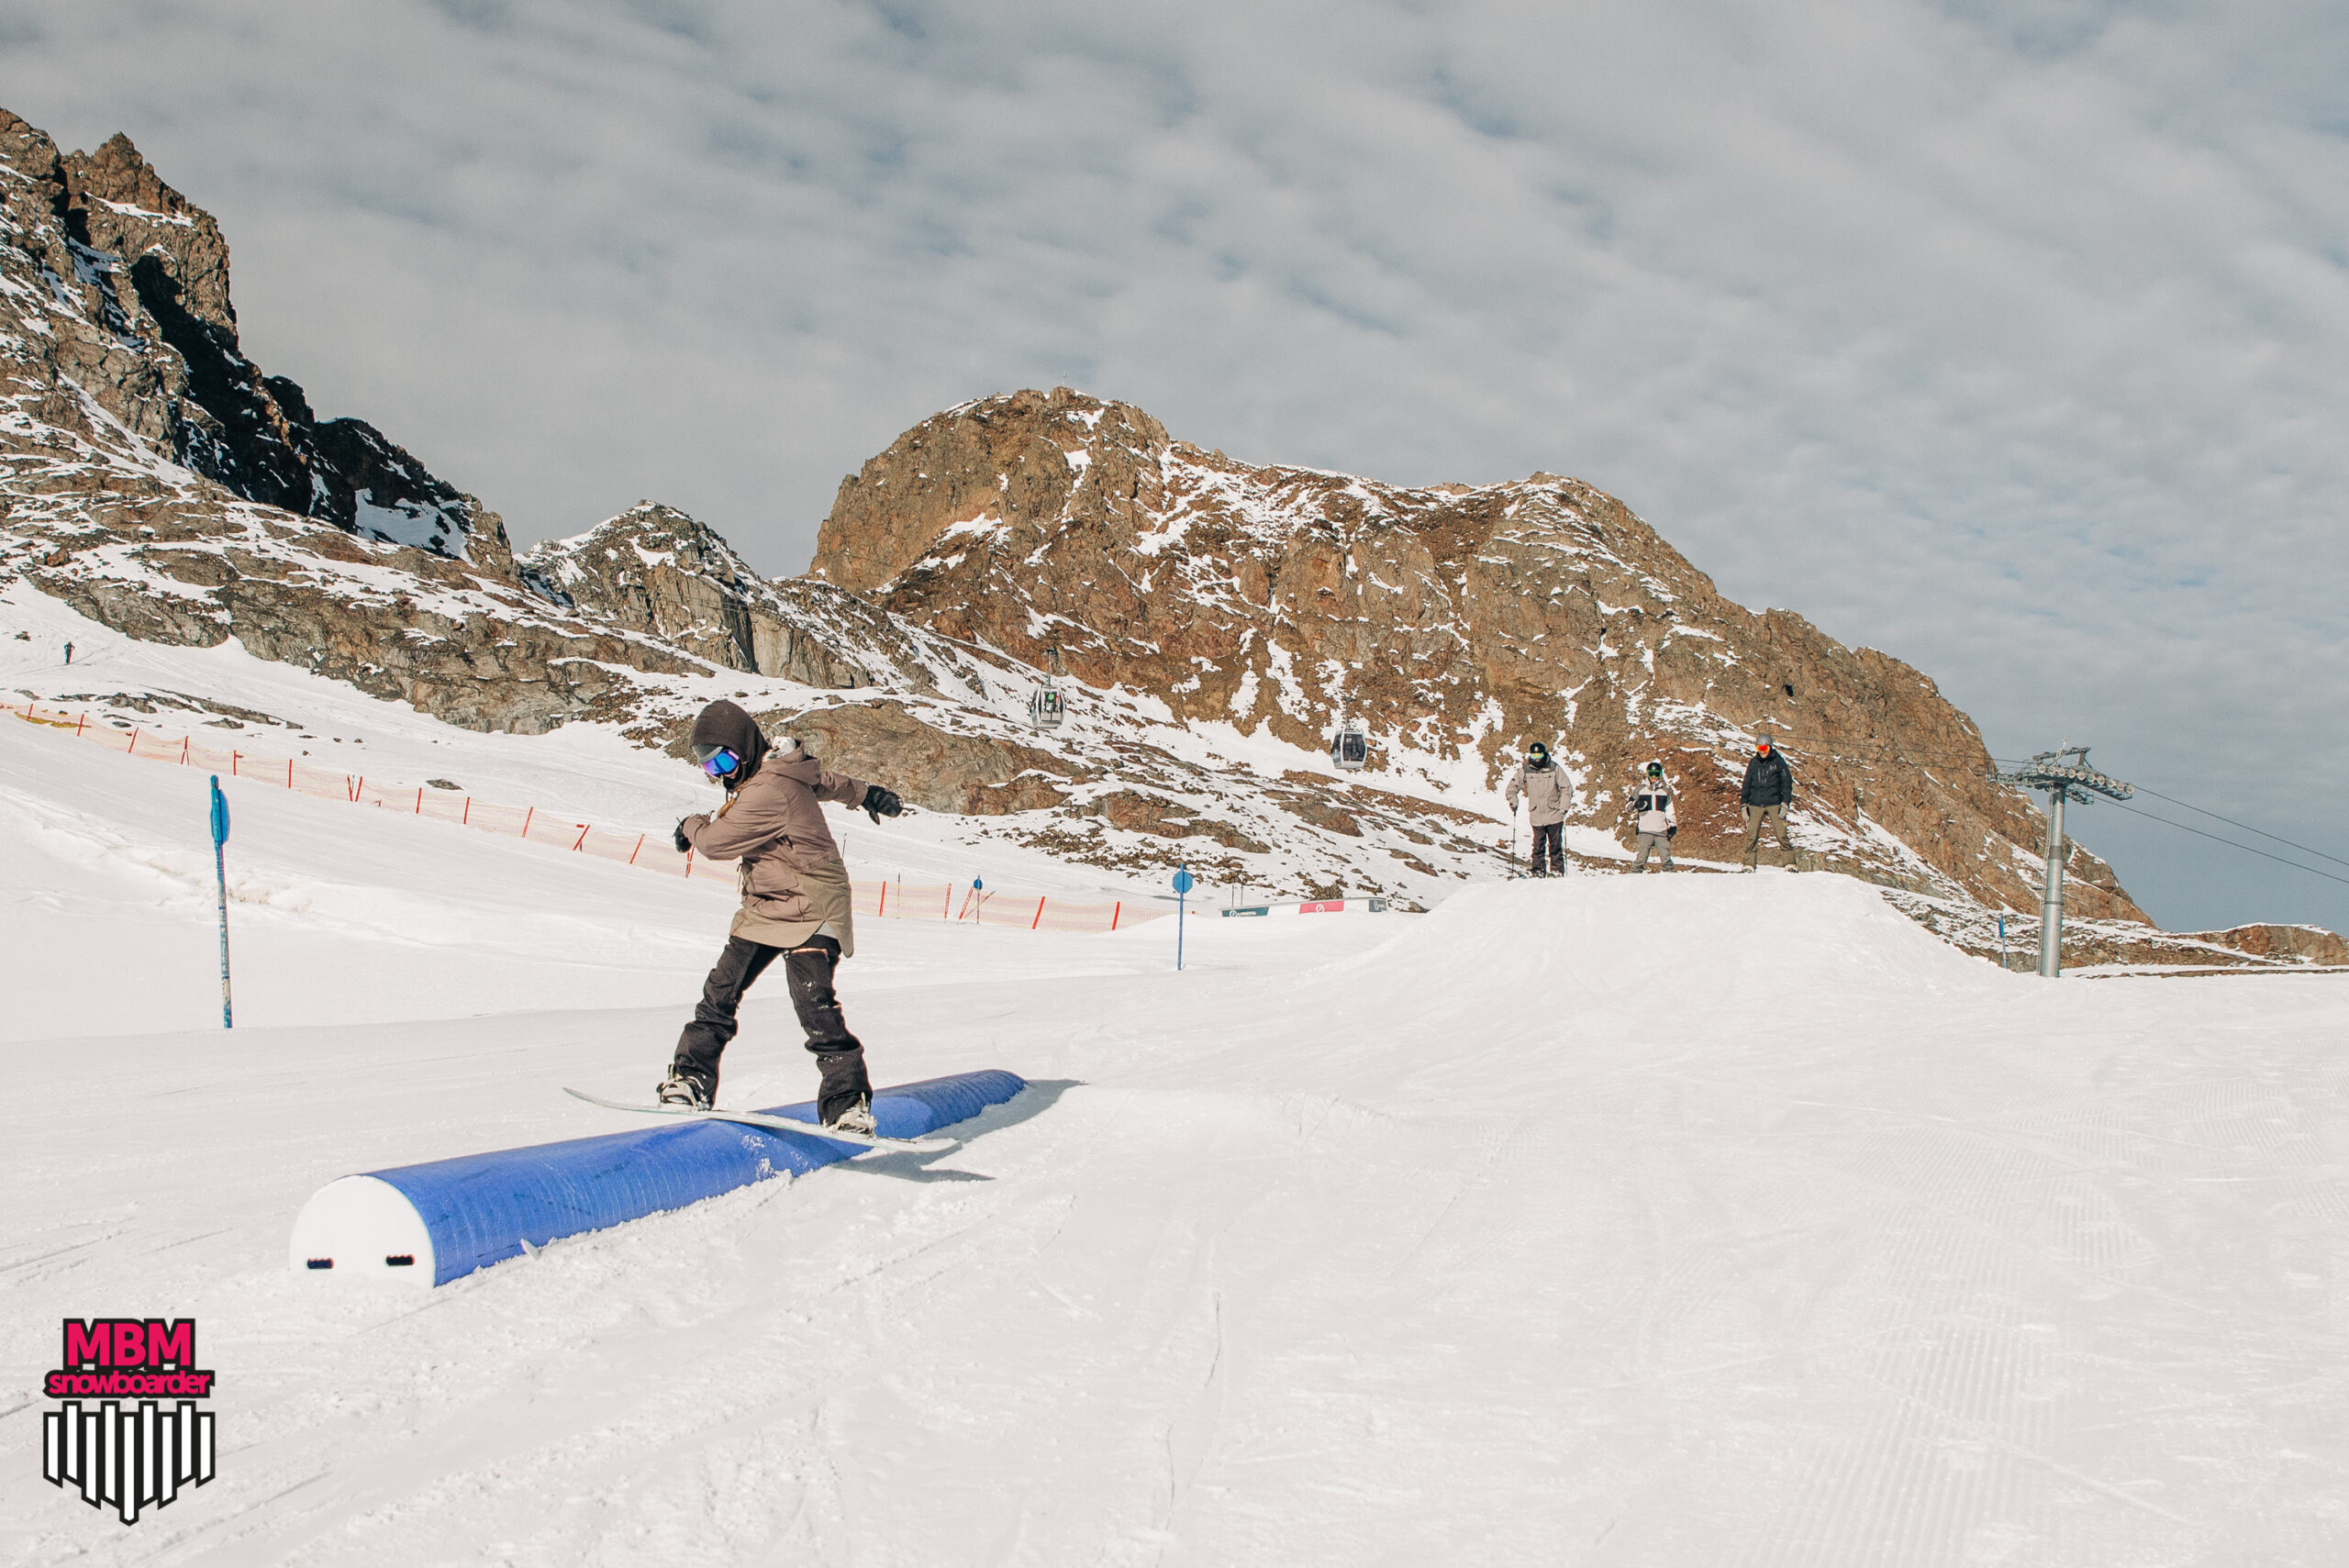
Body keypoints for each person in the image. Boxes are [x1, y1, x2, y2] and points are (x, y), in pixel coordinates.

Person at [658, 699, 904, 1131]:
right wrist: (866, 794)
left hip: (813, 901)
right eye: (709, 767)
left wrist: (690, 826)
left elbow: (715, 843)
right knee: (720, 991)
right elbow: (823, 780)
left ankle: (847, 1104)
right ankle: (691, 1080)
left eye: (724, 761)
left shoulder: (768, 788)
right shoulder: (776, 769)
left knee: (814, 1005)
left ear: (744, 747)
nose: (721, 774)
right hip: (768, 904)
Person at [1505, 740, 1570, 877]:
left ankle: (1557, 871)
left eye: (1539, 755)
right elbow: (1511, 788)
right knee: (1538, 846)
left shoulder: (1554, 768)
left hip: (1554, 813)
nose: (1537, 759)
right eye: (1534, 756)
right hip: (1536, 814)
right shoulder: (1526, 770)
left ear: (1544, 754)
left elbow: (1566, 787)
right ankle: (1537, 871)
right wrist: (1513, 802)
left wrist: (1563, 807)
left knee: (1555, 845)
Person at [1740, 736, 1798, 871]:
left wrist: (1785, 803)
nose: (1762, 751)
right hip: (1755, 803)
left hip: (1774, 803)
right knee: (1752, 836)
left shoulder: (1778, 762)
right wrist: (1743, 805)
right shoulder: (1753, 763)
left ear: (1770, 747)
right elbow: (1746, 785)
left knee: (1781, 833)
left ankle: (1790, 863)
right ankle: (1748, 865)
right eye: (1759, 748)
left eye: (1764, 748)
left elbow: (1786, 784)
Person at [1628, 759, 1677, 871]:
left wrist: (1673, 825)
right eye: (1651, 774)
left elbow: (1670, 810)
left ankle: (1670, 878)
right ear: (1647, 774)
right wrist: (1636, 804)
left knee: (1666, 859)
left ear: (1660, 775)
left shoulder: (1665, 791)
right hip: (1645, 830)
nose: (1654, 777)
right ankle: (1633, 877)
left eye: (1656, 774)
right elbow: (1628, 807)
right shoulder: (1640, 789)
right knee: (1641, 859)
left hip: (1661, 830)